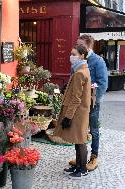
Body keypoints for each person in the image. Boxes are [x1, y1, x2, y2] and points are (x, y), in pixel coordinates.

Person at [69, 35, 108, 172]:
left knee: (93, 130)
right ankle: (81, 159)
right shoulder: (78, 58)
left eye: (80, 44)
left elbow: (103, 84)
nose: (76, 46)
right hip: (78, 103)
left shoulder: (98, 61)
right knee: (79, 129)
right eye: (76, 43)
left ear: (88, 46)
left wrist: (92, 100)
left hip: (92, 103)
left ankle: (94, 157)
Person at [55, 44, 91, 179]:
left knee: (80, 140)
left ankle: (82, 169)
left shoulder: (80, 73)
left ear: (82, 55)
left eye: (74, 54)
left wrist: (68, 117)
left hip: (77, 112)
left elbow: (76, 99)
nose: (71, 56)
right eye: (71, 53)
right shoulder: (82, 69)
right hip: (81, 111)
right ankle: (78, 166)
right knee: (78, 140)